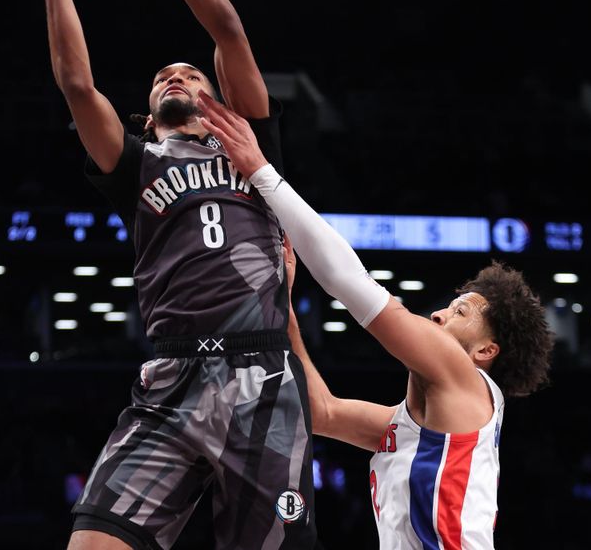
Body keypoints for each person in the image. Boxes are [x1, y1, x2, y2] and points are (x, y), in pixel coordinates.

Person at [29, 0, 316, 549]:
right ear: (148, 111)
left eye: (189, 74)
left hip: (260, 374)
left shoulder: (249, 145)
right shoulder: (134, 163)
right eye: (162, 77)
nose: (173, 77)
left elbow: (228, 29)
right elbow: (77, 84)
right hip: (171, 377)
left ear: (218, 99)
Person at [196, 91, 554, 549]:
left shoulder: (465, 378)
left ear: (485, 352)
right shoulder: (404, 427)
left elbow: (351, 283)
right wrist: (283, 306)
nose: (439, 312)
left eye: (461, 311)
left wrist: (262, 173)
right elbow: (321, 412)